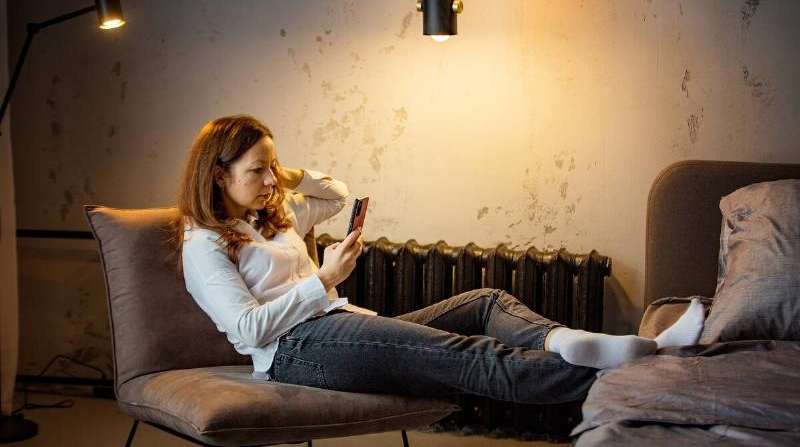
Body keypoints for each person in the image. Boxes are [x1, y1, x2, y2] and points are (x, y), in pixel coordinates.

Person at [172, 114, 706, 404]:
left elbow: (336, 194)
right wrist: (324, 280)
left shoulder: (276, 211)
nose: (270, 181)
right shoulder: (205, 245)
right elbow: (246, 331)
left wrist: (284, 173)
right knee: (470, 355)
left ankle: (572, 342)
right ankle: (650, 372)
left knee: (485, 302)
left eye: (273, 168)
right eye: (257, 171)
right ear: (218, 175)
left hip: (337, 325)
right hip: (295, 351)